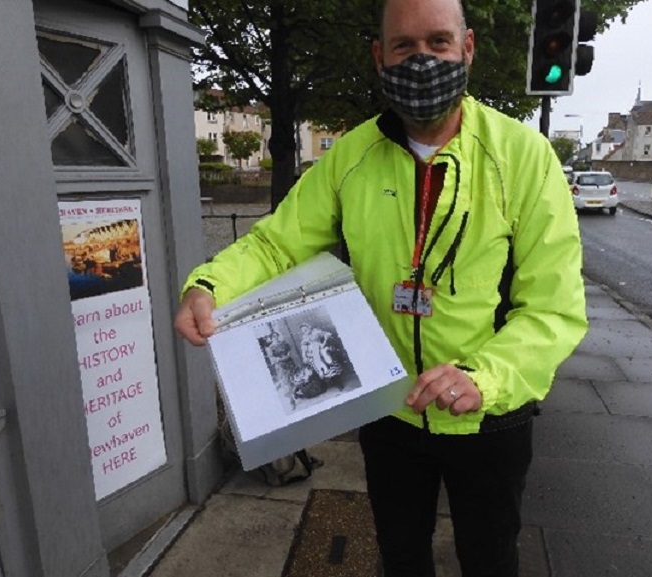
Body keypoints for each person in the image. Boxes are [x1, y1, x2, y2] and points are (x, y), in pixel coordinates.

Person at [174, 0, 588, 574]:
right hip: (389, 411)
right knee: (400, 555)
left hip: (489, 416)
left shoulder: (522, 156)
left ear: (466, 48)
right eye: (404, 46)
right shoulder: (351, 156)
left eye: (439, 43)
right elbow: (277, 243)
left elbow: (554, 307)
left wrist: (483, 378)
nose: (422, 60)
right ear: (380, 57)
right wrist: (209, 285)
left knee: (490, 558)